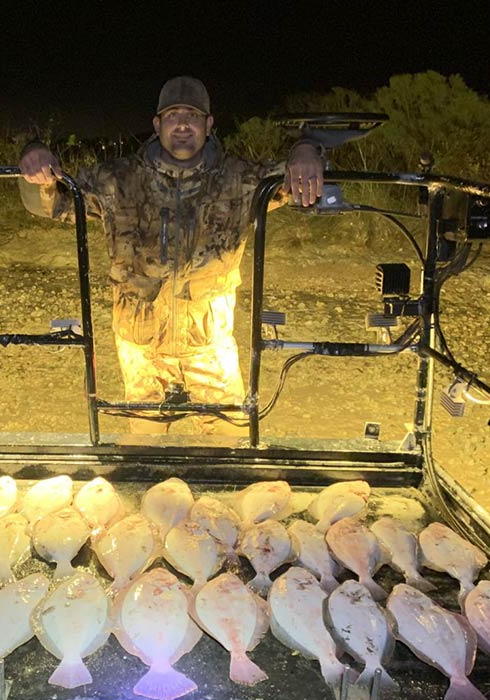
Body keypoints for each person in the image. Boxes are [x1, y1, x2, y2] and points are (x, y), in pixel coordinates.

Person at [18, 76, 324, 435]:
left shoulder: (241, 179)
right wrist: (34, 158)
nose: (182, 124)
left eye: (192, 115)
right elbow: (50, 203)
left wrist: (306, 150)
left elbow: (298, 178)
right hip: (140, 344)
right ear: (157, 124)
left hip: (208, 345)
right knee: (146, 447)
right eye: (173, 115)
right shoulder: (116, 179)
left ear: (208, 125)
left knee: (230, 444)